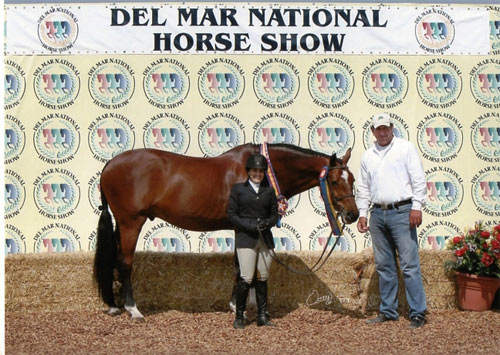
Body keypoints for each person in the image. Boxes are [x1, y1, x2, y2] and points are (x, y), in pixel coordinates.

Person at [356, 113, 428, 329]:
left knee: (409, 265)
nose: (383, 132)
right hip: (377, 214)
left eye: (386, 128)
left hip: (402, 211)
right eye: (379, 129)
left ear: (392, 127)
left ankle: (418, 313)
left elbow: (418, 179)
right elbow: (363, 187)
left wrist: (416, 207)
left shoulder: (405, 148)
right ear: (373, 131)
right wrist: (362, 213)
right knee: (384, 265)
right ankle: (388, 311)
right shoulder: (368, 155)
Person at [227, 153, 278, 329]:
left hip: (265, 239)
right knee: (246, 277)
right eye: (255, 170)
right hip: (246, 239)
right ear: (249, 171)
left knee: (263, 277)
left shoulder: (269, 191)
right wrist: (249, 225)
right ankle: (240, 315)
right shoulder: (238, 189)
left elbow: (274, 215)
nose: (258, 174)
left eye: (261, 171)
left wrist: (267, 223)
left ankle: (262, 315)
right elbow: (232, 214)